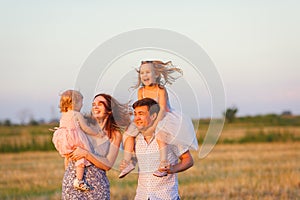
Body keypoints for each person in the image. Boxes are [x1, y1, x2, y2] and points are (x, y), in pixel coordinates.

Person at [119, 60, 198, 178]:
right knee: (127, 134)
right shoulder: (141, 91)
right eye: (142, 73)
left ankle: (163, 163)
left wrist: (153, 127)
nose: (144, 75)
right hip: (147, 117)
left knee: (161, 134)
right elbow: (140, 107)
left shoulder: (160, 89)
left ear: (156, 74)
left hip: (163, 116)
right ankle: (128, 161)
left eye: (147, 72)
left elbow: (161, 110)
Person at [120, 98, 194, 199]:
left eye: (141, 114)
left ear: (153, 116)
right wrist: (128, 162)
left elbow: (188, 160)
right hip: (142, 196)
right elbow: (136, 159)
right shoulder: (135, 138)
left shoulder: (169, 137)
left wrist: (172, 169)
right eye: (135, 114)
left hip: (166, 196)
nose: (136, 118)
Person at [61, 93, 130, 199]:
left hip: (97, 187)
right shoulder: (83, 125)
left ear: (109, 110)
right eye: (93, 104)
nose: (95, 107)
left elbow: (107, 165)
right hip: (73, 182)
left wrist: (86, 154)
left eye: (100, 104)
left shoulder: (115, 134)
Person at [52, 90, 104, 191]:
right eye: (81, 102)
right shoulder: (77, 114)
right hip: (73, 138)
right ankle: (79, 180)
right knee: (80, 156)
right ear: (74, 103)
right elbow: (85, 128)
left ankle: (68, 172)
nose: (82, 105)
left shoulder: (64, 114)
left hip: (63, 139)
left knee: (69, 156)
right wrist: (97, 133)